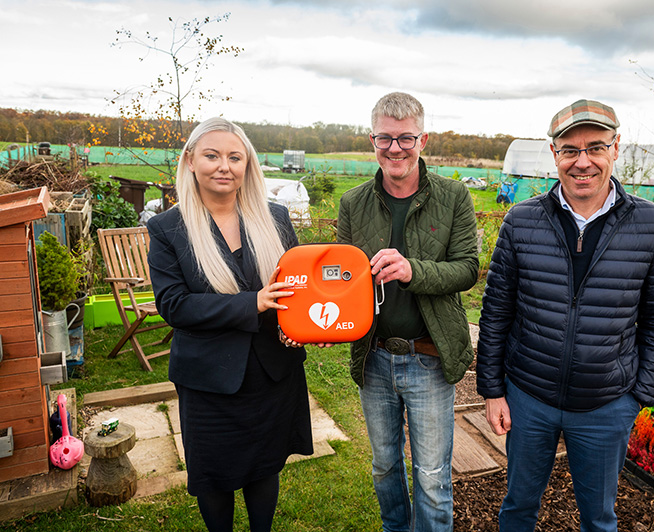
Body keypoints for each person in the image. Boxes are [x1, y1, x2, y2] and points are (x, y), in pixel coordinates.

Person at [477, 99, 654, 532]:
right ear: (554, 154)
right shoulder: (522, 220)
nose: (582, 161)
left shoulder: (653, 224)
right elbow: (496, 311)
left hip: (606, 404)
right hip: (529, 398)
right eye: (569, 150)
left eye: (595, 147)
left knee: (599, 519)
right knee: (517, 509)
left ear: (616, 148)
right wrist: (494, 390)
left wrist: (639, 395)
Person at [147, 117, 313, 532]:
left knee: (264, 467)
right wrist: (252, 303)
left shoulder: (274, 218)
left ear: (247, 165)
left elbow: (295, 290)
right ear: (190, 161)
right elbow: (174, 306)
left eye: (234, 157)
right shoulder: (168, 228)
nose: (224, 166)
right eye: (212, 155)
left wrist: (307, 329)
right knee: (214, 476)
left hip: (272, 372)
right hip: (209, 379)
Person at [337, 92, 479, 532]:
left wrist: (411, 269)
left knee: (433, 478)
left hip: (428, 358)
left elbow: (468, 269)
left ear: (423, 139)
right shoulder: (353, 202)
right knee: (384, 469)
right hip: (375, 356)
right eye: (385, 138)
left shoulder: (454, 197)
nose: (394, 149)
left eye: (405, 138)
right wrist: (327, 317)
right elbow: (342, 276)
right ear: (372, 139)